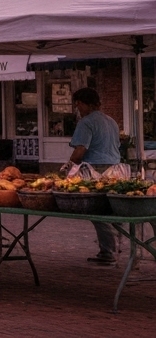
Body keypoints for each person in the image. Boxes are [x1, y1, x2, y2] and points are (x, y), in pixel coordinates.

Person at [64, 87, 122, 264]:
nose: (78, 109)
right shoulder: (111, 121)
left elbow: (80, 150)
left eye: (78, 105)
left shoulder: (86, 122)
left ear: (85, 104)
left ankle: (108, 252)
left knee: (97, 211)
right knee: (113, 209)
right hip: (115, 168)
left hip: (96, 170)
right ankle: (116, 244)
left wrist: (68, 167)